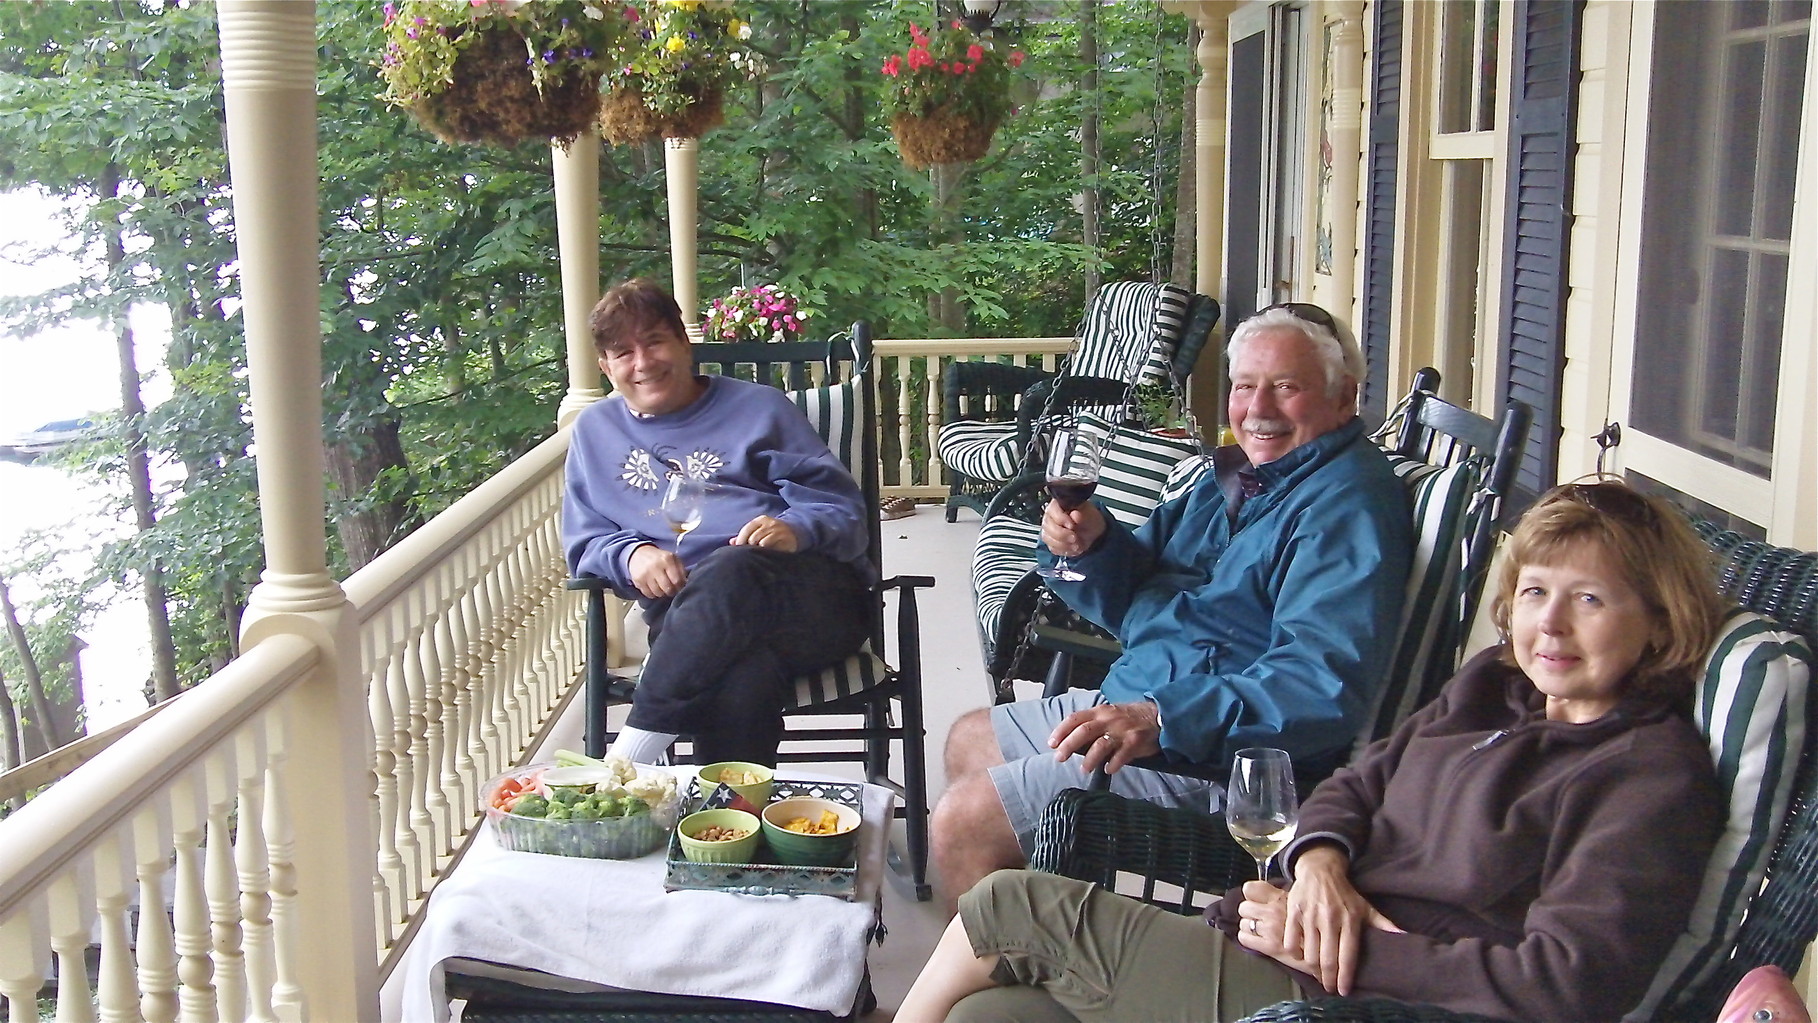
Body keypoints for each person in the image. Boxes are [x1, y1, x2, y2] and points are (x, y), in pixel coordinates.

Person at [900, 480, 1726, 1023]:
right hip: (1293, 935)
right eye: (1538, 592)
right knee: (993, 1015)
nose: (1549, 623)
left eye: (1589, 599)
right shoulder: (1494, 686)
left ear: (1659, 619)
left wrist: (1353, 947)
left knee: (1009, 904)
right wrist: (1322, 864)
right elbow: (1358, 783)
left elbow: (1568, 981)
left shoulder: (1649, 774)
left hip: (1360, 999)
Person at [932, 304, 1414, 907]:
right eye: (1245, 386)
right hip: (1150, 699)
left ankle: (999, 985)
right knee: (970, 738)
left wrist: (1164, 716)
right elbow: (1136, 591)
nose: (1257, 410)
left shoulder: (1345, 509)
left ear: (1345, 398)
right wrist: (1088, 544)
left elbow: (1321, 685)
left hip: (1222, 760)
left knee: (967, 820)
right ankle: (1042, 929)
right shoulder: (1236, 478)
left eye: (1286, 388)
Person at [561, 279, 871, 766]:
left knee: (733, 567)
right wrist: (630, 554)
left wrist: (796, 529)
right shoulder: (594, 432)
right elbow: (584, 542)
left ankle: (629, 759)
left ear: (685, 344)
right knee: (741, 675)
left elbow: (847, 513)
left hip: (806, 601)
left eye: (656, 341)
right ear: (605, 367)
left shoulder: (761, 408)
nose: (642, 363)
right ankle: (720, 826)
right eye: (623, 352)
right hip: (689, 619)